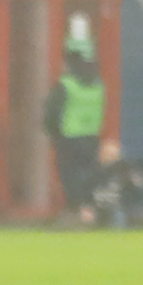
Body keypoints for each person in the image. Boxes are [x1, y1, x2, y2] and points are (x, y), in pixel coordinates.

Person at [44, 24, 104, 225]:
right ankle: (89, 212)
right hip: (92, 137)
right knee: (89, 177)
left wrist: (53, 134)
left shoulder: (66, 85)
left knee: (70, 177)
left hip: (69, 138)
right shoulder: (98, 85)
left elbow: (51, 114)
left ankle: (77, 212)